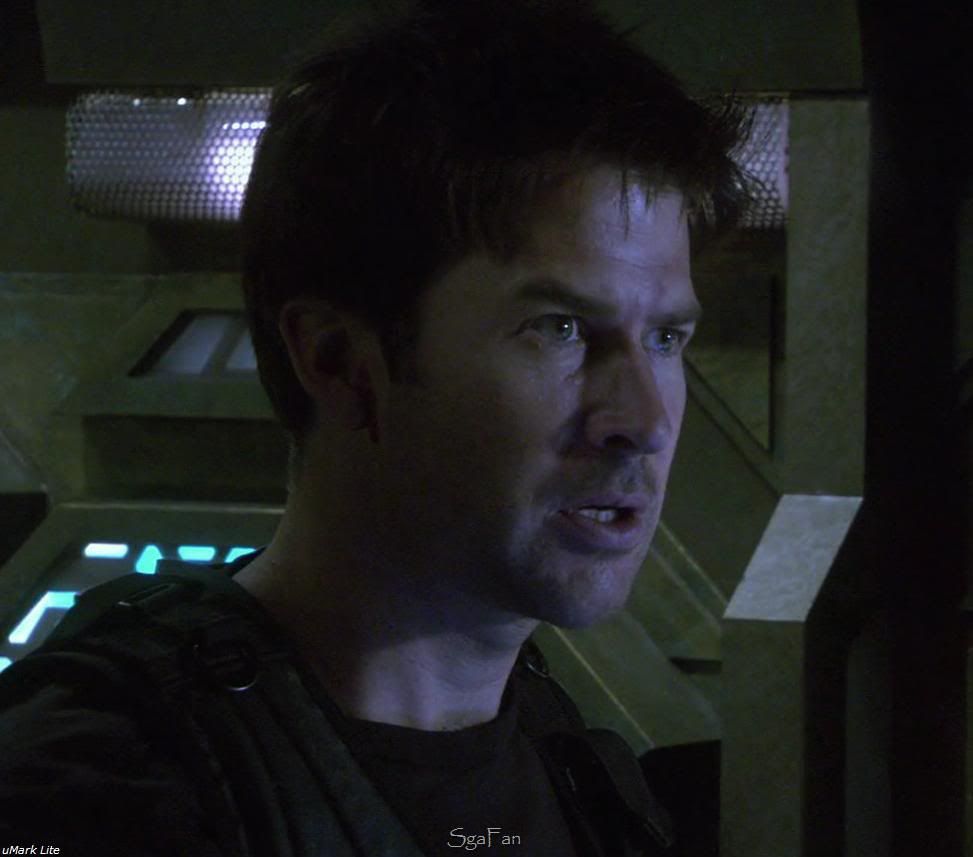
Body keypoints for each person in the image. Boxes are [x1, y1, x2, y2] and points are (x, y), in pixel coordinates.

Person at [0, 1, 748, 854]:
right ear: (337, 359)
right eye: (560, 329)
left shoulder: (578, 773)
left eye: (665, 338)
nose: (643, 421)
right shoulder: (100, 791)